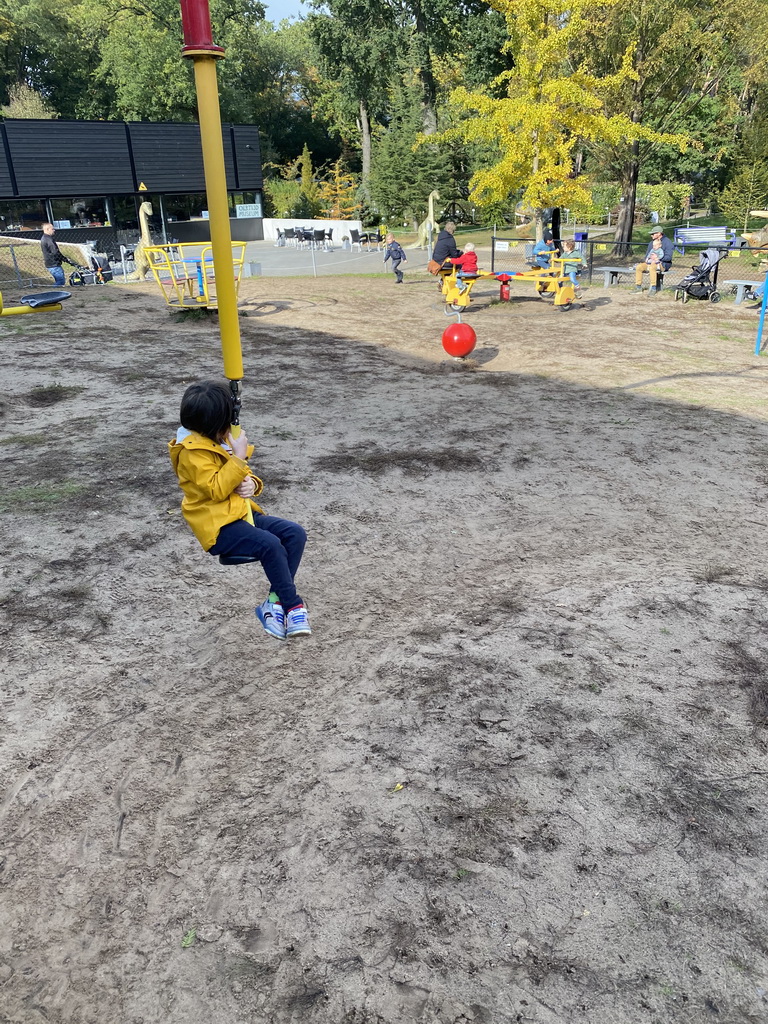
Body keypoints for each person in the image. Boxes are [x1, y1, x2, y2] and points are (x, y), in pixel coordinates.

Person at [168, 381, 311, 641]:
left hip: (241, 513)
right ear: (215, 423)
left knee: (294, 533)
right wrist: (239, 458)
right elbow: (216, 489)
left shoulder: (218, 441)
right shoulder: (190, 452)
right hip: (218, 526)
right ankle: (293, 606)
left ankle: (274, 602)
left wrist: (251, 484)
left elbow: (242, 479)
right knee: (270, 545)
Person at [635, 227, 673, 294]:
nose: (651, 236)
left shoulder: (668, 242)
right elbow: (647, 255)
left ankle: (653, 288)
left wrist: (657, 258)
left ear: (659, 233)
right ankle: (638, 287)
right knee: (639, 267)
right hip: (650, 262)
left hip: (662, 264)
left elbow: (668, 257)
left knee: (653, 268)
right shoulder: (651, 243)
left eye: (653, 234)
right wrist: (648, 260)